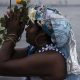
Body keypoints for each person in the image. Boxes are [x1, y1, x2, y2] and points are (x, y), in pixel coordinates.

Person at [0, 5, 80, 80]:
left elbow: (2, 66)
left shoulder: (52, 58)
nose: (26, 29)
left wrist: (12, 33)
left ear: (43, 33)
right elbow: (7, 56)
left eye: (30, 26)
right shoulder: (35, 50)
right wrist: (16, 33)